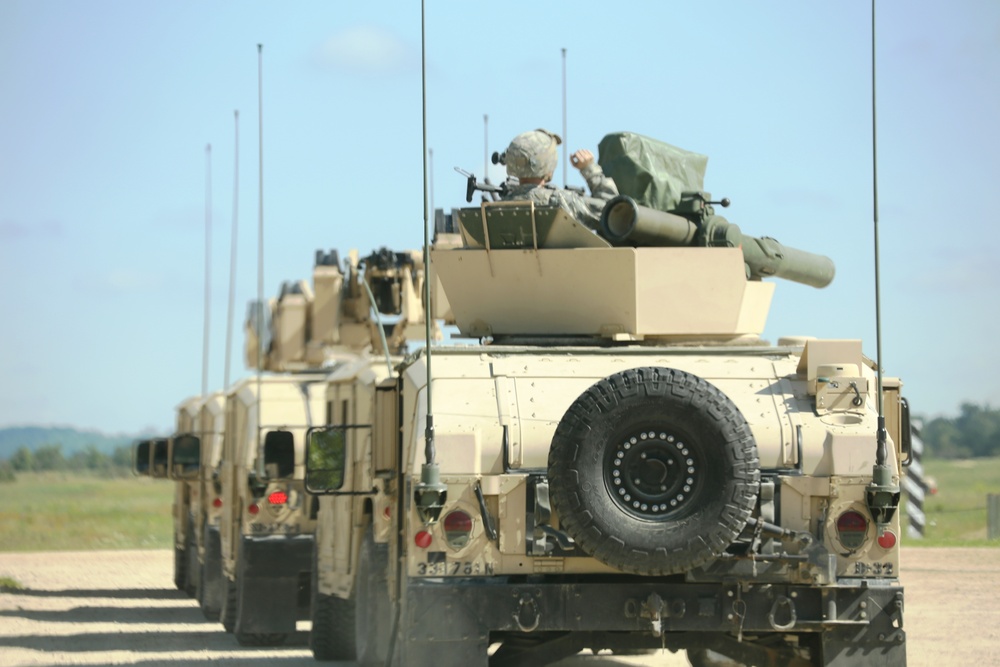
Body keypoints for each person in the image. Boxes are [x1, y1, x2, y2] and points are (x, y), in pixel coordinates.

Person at [498, 128, 618, 230]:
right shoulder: (562, 201)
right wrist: (590, 169)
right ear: (548, 163)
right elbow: (614, 212)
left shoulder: (499, 207)